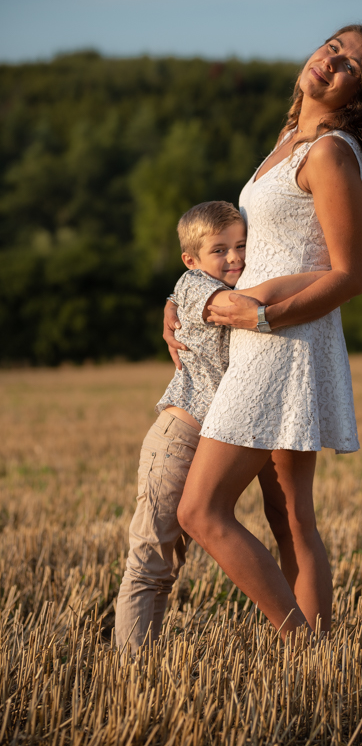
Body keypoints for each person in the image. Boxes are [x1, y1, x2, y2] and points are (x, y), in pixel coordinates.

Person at [165, 24, 362, 641]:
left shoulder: (328, 153)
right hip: (257, 336)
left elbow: (347, 275)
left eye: (349, 63)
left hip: (284, 342)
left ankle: (298, 643)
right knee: (291, 516)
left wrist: (263, 316)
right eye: (332, 46)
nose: (331, 61)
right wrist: (187, 302)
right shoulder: (286, 142)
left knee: (200, 509)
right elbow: (252, 251)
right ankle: (320, 655)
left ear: (361, 93)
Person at [116, 200, 327, 653]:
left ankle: (310, 643)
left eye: (241, 246)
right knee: (152, 558)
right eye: (220, 250)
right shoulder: (196, 289)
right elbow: (246, 305)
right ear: (191, 261)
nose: (235, 258)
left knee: (173, 554)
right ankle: (132, 667)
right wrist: (328, 277)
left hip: (224, 432)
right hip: (178, 439)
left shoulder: (208, 282)